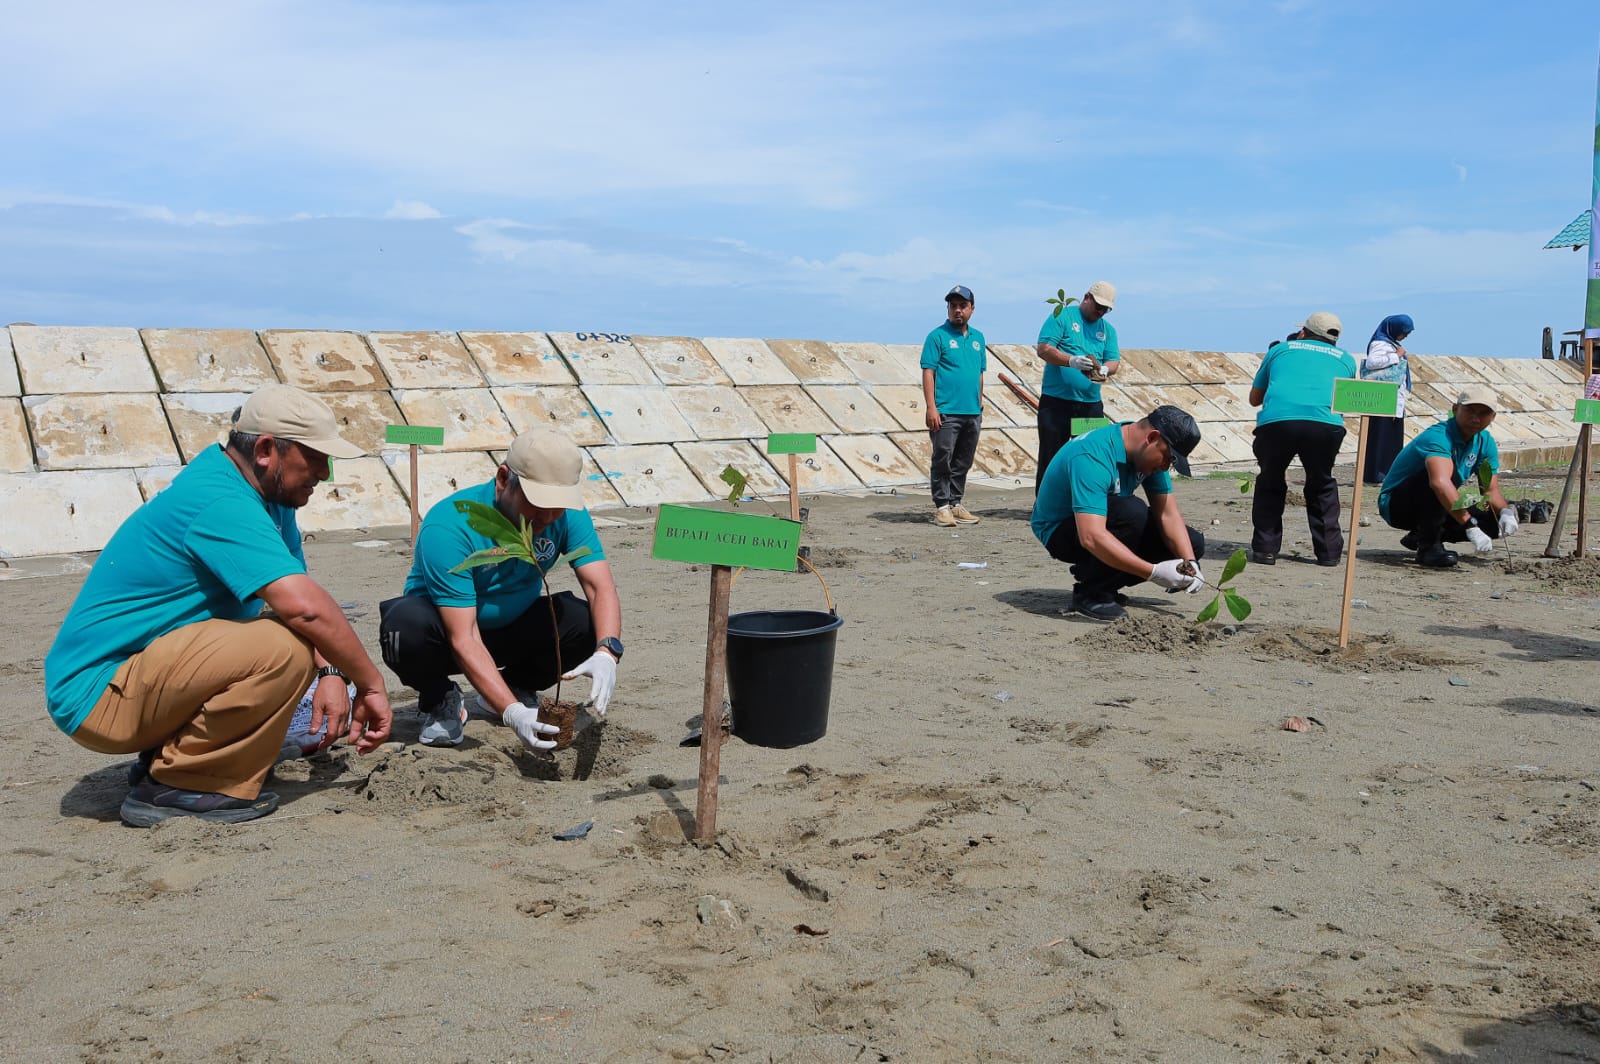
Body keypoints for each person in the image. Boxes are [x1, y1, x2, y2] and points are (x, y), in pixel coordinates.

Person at [43, 384, 394, 827]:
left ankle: (175, 755)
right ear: (265, 450)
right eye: (315, 457)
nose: (324, 474)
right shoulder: (220, 500)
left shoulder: (268, 499)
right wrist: (370, 685)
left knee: (298, 639)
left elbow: (301, 603)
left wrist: (331, 673)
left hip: (141, 677)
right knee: (283, 649)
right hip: (97, 696)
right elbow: (305, 610)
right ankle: (180, 784)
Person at [378, 427, 623, 750]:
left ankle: (514, 685)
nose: (549, 516)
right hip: (445, 635)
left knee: (584, 620)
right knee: (403, 629)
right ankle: (441, 698)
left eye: (559, 505)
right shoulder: (450, 525)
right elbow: (464, 636)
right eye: (538, 502)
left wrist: (607, 652)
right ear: (503, 479)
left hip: (512, 628)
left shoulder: (565, 517)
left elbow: (599, 587)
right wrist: (513, 713)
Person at [1031, 405, 1208, 621]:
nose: (1165, 467)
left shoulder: (1148, 454)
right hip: (1060, 530)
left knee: (1192, 543)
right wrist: (1153, 572)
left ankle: (1101, 577)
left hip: (1102, 522)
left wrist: (1190, 563)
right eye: (1168, 459)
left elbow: (1168, 515)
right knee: (1132, 514)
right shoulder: (1092, 454)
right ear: (1152, 438)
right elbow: (1091, 536)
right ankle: (1092, 593)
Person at [1247, 311, 1358, 566]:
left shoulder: (1279, 350)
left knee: (1270, 480)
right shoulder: (1346, 359)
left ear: (1303, 332)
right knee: (1322, 484)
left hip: (1277, 423)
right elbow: (1342, 401)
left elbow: (1254, 399)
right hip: (1325, 426)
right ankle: (1329, 553)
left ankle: (1265, 549)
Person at [1379, 385, 1517, 568]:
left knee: (1493, 519)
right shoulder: (1439, 436)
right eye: (1470, 410)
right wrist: (1470, 525)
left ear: (1492, 417)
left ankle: (1421, 536)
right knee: (1436, 480)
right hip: (1398, 505)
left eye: (1484, 413)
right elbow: (1440, 483)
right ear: (1455, 409)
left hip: (1437, 505)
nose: (1476, 418)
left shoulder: (1485, 442)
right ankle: (1429, 548)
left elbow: (1490, 491)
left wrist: (1506, 512)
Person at [1033, 280, 1121, 492]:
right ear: (1087, 297)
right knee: (1052, 455)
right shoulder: (1062, 316)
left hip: (1089, 406)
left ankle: (1084, 501)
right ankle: (1045, 504)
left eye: (1106, 309)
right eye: (1098, 306)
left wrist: (1106, 369)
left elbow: (1113, 360)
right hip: (1057, 404)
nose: (1101, 312)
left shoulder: (1108, 330)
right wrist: (1070, 361)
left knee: (1090, 454)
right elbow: (1044, 348)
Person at [920, 284, 987, 527]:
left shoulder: (978, 338)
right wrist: (931, 407)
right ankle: (942, 507)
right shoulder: (937, 336)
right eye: (953, 306)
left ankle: (955, 503)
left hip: (972, 411)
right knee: (943, 458)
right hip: (946, 411)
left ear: (972, 309)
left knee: (963, 460)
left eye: (962, 306)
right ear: (948, 308)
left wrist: (980, 403)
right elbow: (928, 372)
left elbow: (979, 373)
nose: (957, 310)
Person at [1361, 314, 1414, 484]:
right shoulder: (1380, 343)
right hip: (1382, 399)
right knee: (1381, 439)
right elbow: (1371, 362)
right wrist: (1396, 356)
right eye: (1404, 332)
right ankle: (1376, 475)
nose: (1405, 336)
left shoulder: (1391, 343)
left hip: (1392, 399)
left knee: (1391, 440)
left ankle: (1387, 474)